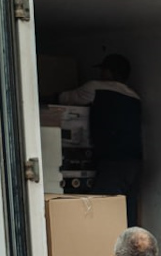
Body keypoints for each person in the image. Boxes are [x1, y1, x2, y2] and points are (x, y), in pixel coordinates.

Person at [58, 54, 142, 228]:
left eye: (104, 70)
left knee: (102, 210)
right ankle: (133, 252)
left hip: (112, 161)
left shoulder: (95, 88)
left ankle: (104, 249)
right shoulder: (134, 97)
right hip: (134, 162)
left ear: (111, 72)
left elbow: (65, 98)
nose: (101, 74)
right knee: (127, 212)